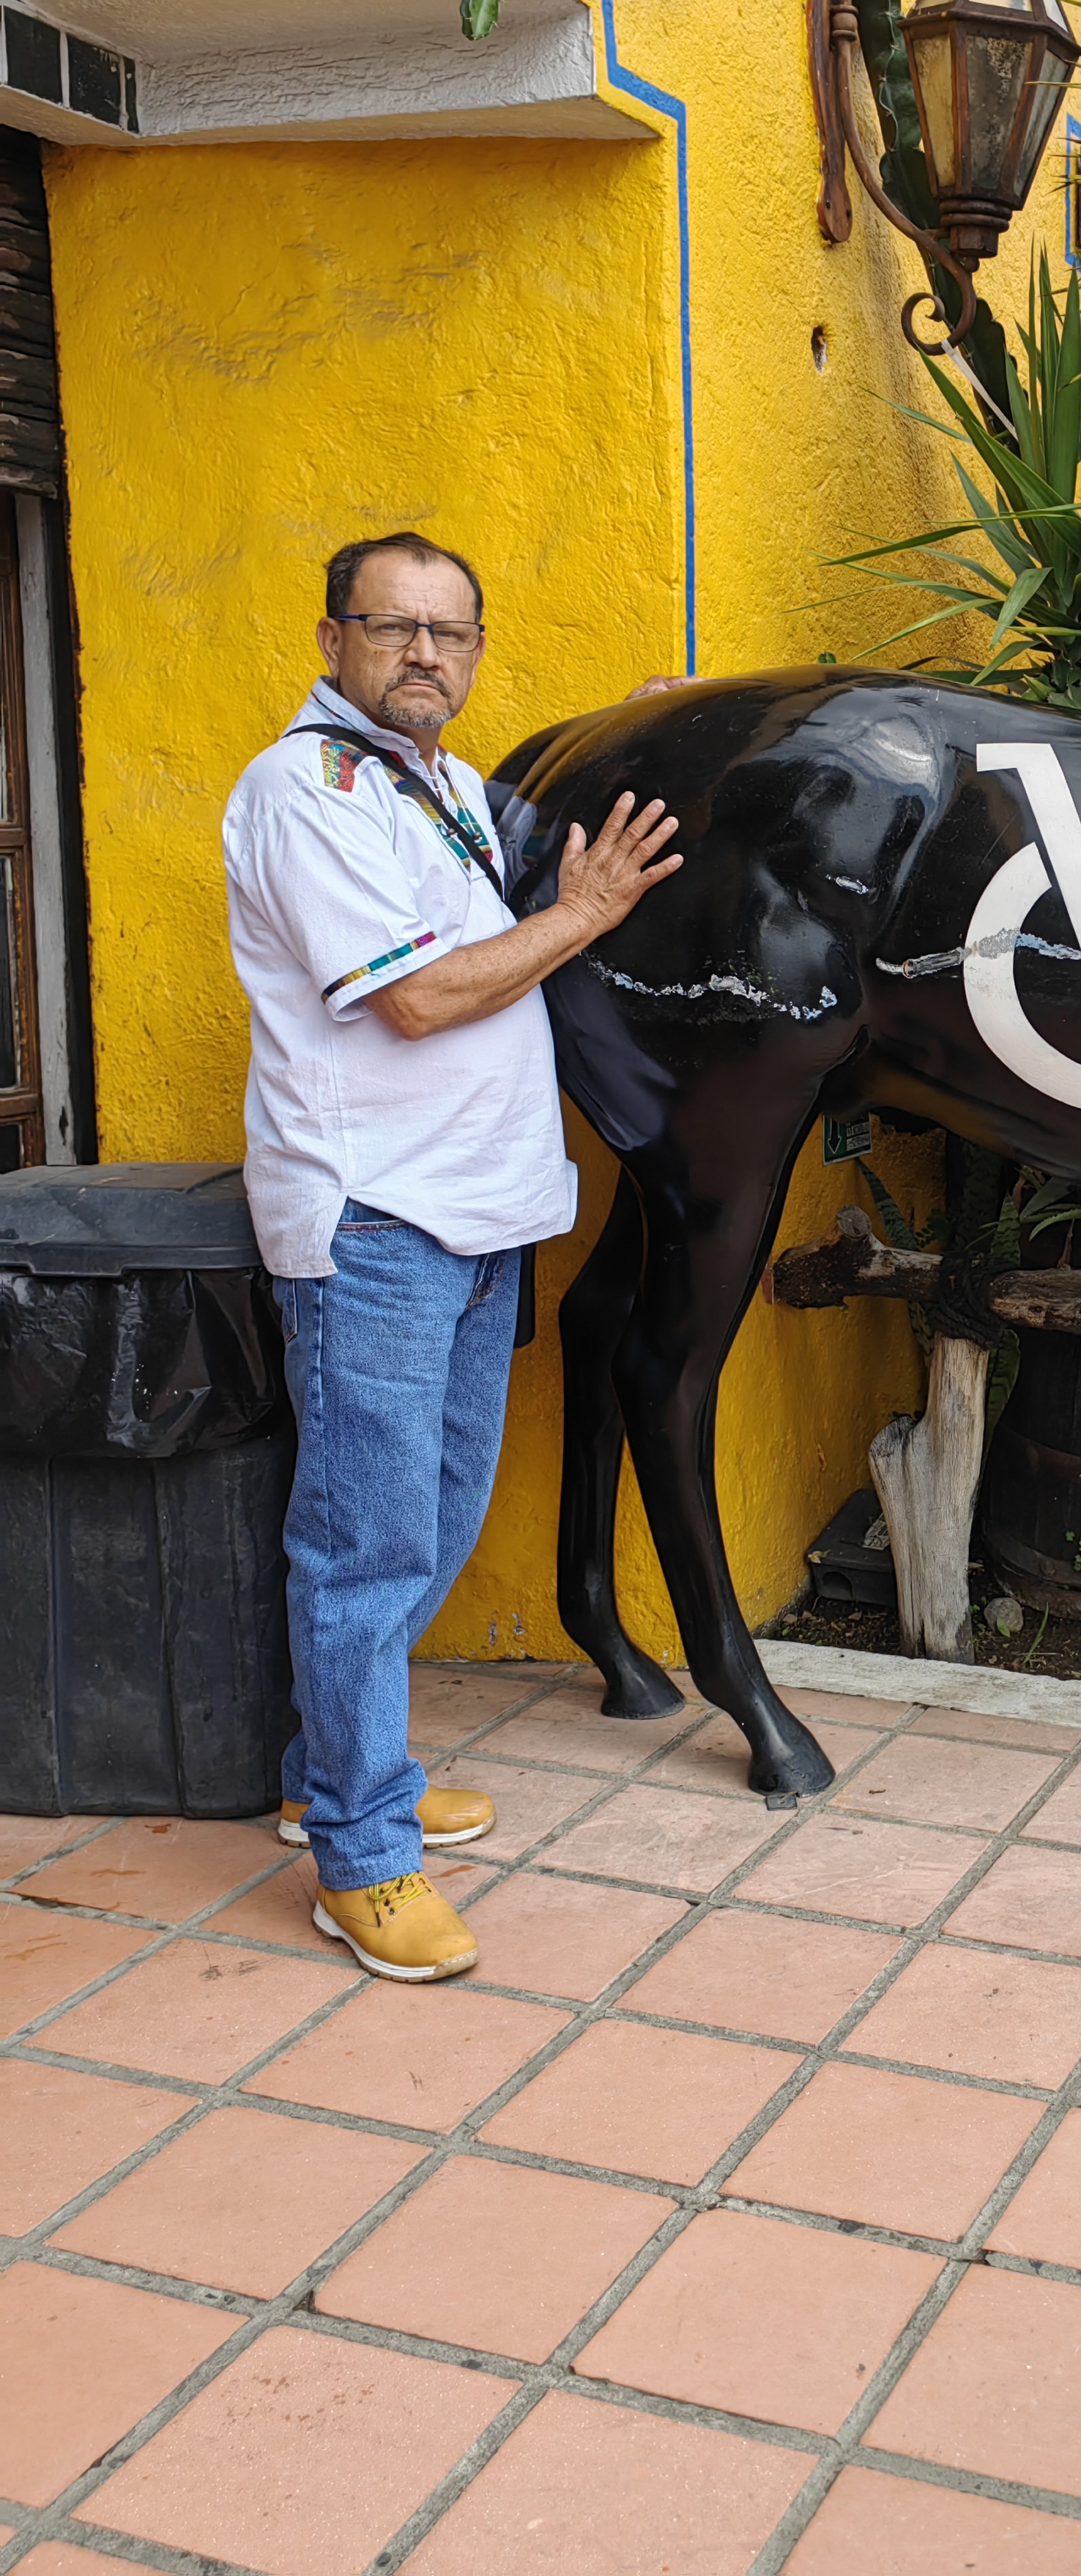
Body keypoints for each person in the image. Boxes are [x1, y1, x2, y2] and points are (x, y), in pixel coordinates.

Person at [223, 534, 682, 1982]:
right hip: (374, 1221)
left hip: (481, 1216)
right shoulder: (308, 789)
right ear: (335, 636)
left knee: (431, 1513)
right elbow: (417, 998)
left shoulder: (443, 790)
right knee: (364, 1543)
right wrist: (584, 914)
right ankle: (360, 1851)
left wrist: (656, 729)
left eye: (452, 633)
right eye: (396, 627)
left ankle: (324, 1770)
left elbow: (549, 859)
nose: (426, 653)